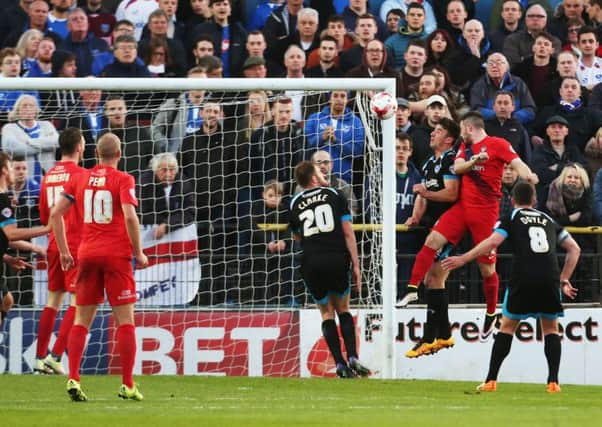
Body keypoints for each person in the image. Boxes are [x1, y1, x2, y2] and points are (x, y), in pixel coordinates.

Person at [397, 112, 539, 342]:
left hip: (486, 212)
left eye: (463, 130)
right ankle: (412, 289)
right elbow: (460, 167)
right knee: (432, 241)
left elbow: (518, 164)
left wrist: (529, 176)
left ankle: (491, 312)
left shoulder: (498, 144)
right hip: (464, 207)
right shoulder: (466, 147)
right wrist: (475, 161)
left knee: (487, 270)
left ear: (470, 128)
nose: (461, 134)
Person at [442, 181, 580, 394]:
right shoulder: (548, 219)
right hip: (549, 278)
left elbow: (492, 242)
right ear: (534, 200)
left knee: (507, 327)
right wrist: (564, 279)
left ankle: (490, 381)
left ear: (511, 199)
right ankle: (553, 383)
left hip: (523, 277)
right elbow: (574, 249)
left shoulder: (511, 218)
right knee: (551, 329)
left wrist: (464, 258)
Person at [49, 132, 149, 402]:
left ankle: (73, 377)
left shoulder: (79, 177)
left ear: (95, 153)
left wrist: (64, 251)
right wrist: (138, 252)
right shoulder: (123, 179)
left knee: (82, 320)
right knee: (125, 322)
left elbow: (55, 214)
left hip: (86, 254)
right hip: (116, 256)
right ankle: (128, 384)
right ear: (119, 154)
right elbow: (130, 215)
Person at [289, 160, 370, 378]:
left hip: (311, 262)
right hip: (336, 258)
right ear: (314, 179)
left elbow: (296, 236)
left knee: (326, 313)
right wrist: (356, 264)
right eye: (319, 171)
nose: (324, 173)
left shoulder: (294, 202)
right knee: (343, 308)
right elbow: (348, 232)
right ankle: (352, 356)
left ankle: (340, 365)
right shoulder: (335, 194)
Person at [402, 117, 460, 357]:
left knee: (432, 279)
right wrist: (415, 216)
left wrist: (425, 192)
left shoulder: (450, 160)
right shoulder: (428, 163)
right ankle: (443, 334)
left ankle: (430, 336)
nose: (432, 134)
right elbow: (422, 195)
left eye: (438, 131)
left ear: (448, 139)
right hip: (432, 226)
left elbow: (451, 194)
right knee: (434, 280)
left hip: (450, 227)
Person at [33, 127, 86, 375]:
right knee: (78, 302)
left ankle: (39, 358)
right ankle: (56, 356)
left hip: (54, 244)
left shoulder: (49, 175)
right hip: (75, 245)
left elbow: (46, 217)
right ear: (79, 148)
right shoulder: (82, 175)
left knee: (53, 300)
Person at [0, 151, 50, 327]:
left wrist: (7, 257)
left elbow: (5, 237)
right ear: (5, 171)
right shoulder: (3, 199)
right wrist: (47, 228)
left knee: (7, 301)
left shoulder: (6, 198)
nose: (17, 172)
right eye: (13, 168)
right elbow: (11, 234)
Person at [1, 94, 59, 183]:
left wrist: (28, 141)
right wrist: (44, 146)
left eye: (31, 105)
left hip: (48, 178)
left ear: (36, 110)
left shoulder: (47, 125)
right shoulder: (9, 128)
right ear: (17, 110)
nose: (28, 108)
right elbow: (13, 149)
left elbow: (56, 142)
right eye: (24, 106)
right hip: (20, 182)